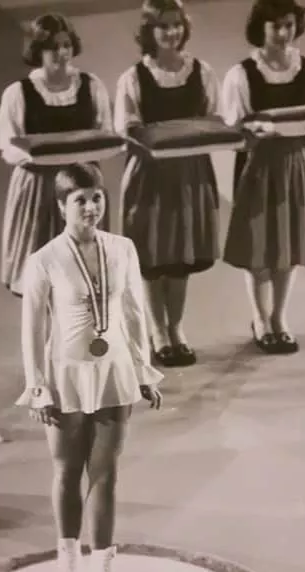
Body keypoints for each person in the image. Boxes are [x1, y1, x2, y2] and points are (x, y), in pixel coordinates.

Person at [16, 163, 163, 572]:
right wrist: (37, 386)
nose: (91, 207)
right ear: (62, 205)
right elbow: (32, 329)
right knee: (66, 471)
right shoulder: (44, 260)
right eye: (80, 199)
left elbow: (135, 312)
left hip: (114, 371)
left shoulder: (122, 248)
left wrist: (143, 370)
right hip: (65, 376)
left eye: (97, 197)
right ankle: (68, 569)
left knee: (105, 474)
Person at [221, 0, 305, 354]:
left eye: (289, 24)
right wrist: (257, 132)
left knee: (289, 243)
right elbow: (235, 129)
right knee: (259, 246)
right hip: (258, 166)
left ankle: (279, 318)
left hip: (297, 164)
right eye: (276, 26)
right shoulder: (242, 74)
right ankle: (260, 319)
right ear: (261, 28)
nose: (284, 33)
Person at [114, 0, 221, 367]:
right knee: (153, 257)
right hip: (150, 176)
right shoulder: (133, 78)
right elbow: (127, 129)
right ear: (149, 31)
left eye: (177, 25)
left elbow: (213, 119)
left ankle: (176, 327)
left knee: (180, 257)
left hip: (190, 174)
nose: (172, 33)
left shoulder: (202, 72)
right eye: (163, 26)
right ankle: (157, 330)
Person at [0, 13, 112, 297]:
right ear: (38, 51)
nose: (61, 53)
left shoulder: (91, 86)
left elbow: (106, 133)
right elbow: (8, 146)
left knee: (81, 282)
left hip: (83, 187)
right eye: (53, 47)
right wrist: (42, 156)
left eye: (66, 45)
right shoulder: (18, 93)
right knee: (42, 281)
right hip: (39, 190)